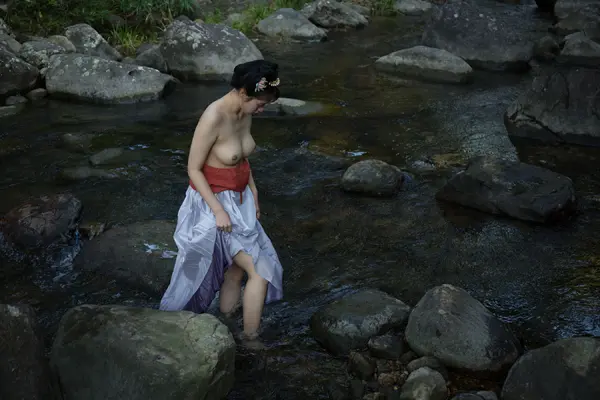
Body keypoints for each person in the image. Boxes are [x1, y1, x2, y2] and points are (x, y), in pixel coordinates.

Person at [159, 60, 284, 347]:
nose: (262, 110)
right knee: (260, 271)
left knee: (236, 270)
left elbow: (241, 158)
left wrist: (253, 190)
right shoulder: (213, 116)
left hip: (240, 202)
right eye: (261, 104)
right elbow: (193, 169)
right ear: (244, 92)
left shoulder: (244, 111)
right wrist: (218, 211)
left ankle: (227, 320)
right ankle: (251, 340)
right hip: (212, 205)